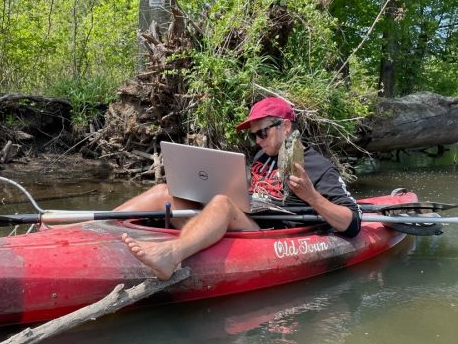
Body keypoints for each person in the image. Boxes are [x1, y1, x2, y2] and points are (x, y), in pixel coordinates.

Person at [115, 97, 362, 280]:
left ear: (285, 127)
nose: (257, 140)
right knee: (164, 192)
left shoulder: (319, 166)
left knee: (223, 202)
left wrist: (312, 197)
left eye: (263, 132)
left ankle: (170, 255)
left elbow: (352, 223)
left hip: (267, 234)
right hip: (244, 217)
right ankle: (92, 229)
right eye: (254, 136)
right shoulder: (261, 156)